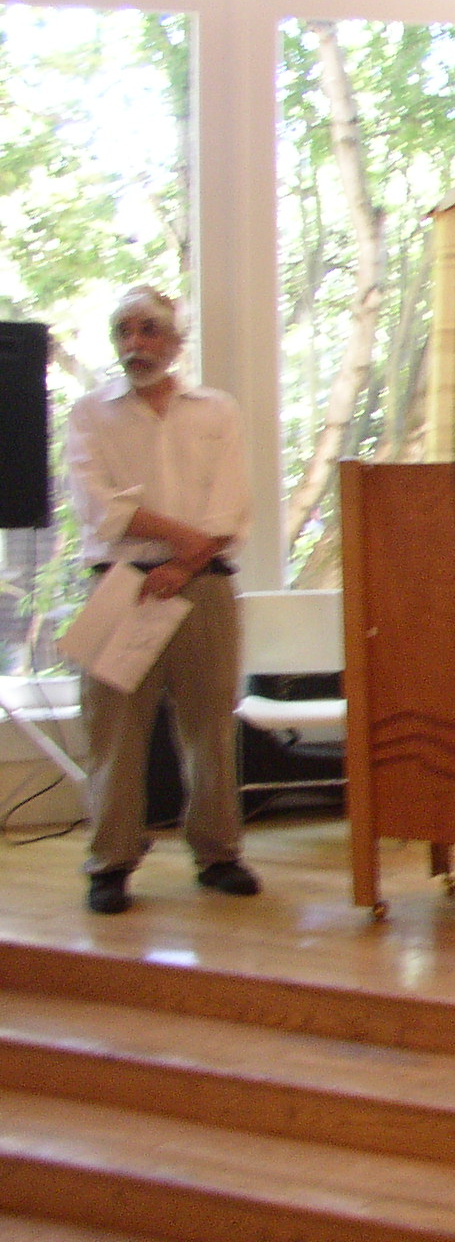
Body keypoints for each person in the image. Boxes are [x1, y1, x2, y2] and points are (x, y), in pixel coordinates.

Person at [65, 286, 258, 915]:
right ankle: (111, 863)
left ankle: (219, 854)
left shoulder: (216, 410)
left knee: (210, 728)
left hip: (204, 585)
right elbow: (99, 506)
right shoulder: (90, 413)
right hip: (122, 584)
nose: (135, 344)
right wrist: (179, 543)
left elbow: (232, 504)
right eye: (124, 331)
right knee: (113, 733)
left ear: (176, 341)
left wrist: (182, 565)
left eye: (149, 330)